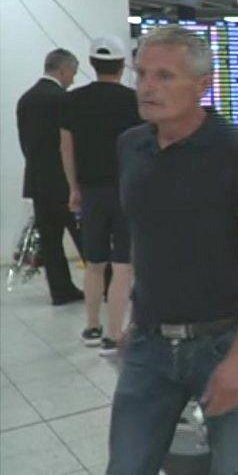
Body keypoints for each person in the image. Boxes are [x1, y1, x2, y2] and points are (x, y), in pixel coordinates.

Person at [108, 26, 238, 473]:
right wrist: (135, 313)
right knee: (126, 465)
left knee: (231, 466)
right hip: (148, 342)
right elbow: (145, 237)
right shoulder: (131, 146)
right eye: (142, 73)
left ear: (203, 86)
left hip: (220, 341)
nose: (147, 87)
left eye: (165, 76)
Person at [60, 36, 142, 355]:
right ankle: (113, 334)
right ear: (122, 66)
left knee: (94, 262)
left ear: (92, 64)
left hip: (91, 191)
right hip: (126, 191)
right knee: (123, 265)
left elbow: (66, 148)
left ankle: (91, 325)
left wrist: (73, 188)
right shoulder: (133, 101)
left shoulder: (72, 101)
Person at [15, 48, 84, 305]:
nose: (73, 80)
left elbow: (26, 144)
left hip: (38, 181)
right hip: (65, 182)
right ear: (63, 69)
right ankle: (105, 282)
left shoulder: (26, 99)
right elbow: (70, 144)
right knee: (84, 236)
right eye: (73, 74)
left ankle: (61, 291)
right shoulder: (63, 100)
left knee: (51, 241)